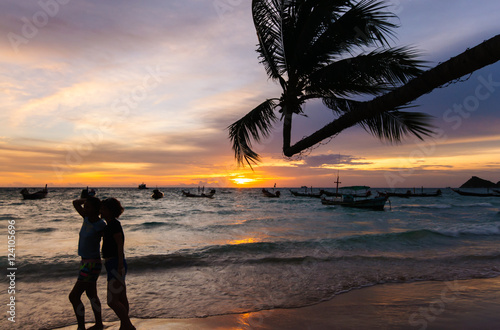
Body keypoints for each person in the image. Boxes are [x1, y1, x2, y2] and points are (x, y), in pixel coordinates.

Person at [69, 196, 106, 330]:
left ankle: (81, 327)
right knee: (91, 294)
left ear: (96, 210)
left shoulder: (100, 224)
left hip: (92, 264)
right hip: (85, 261)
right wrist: (87, 200)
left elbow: (109, 240)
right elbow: (75, 203)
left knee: (74, 296)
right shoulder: (86, 218)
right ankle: (99, 324)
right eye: (85, 207)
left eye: (88, 207)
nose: (85, 209)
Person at [100, 198, 135, 330]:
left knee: (112, 301)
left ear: (110, 211)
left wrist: (120, 264)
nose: (100, 211)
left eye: (103, 209)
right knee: (121, 297)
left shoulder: (114, 225)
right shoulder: (109, 225)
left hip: (116, 264)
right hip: (113, 264)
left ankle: (128, 325)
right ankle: (125, 325)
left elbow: (120, 244)